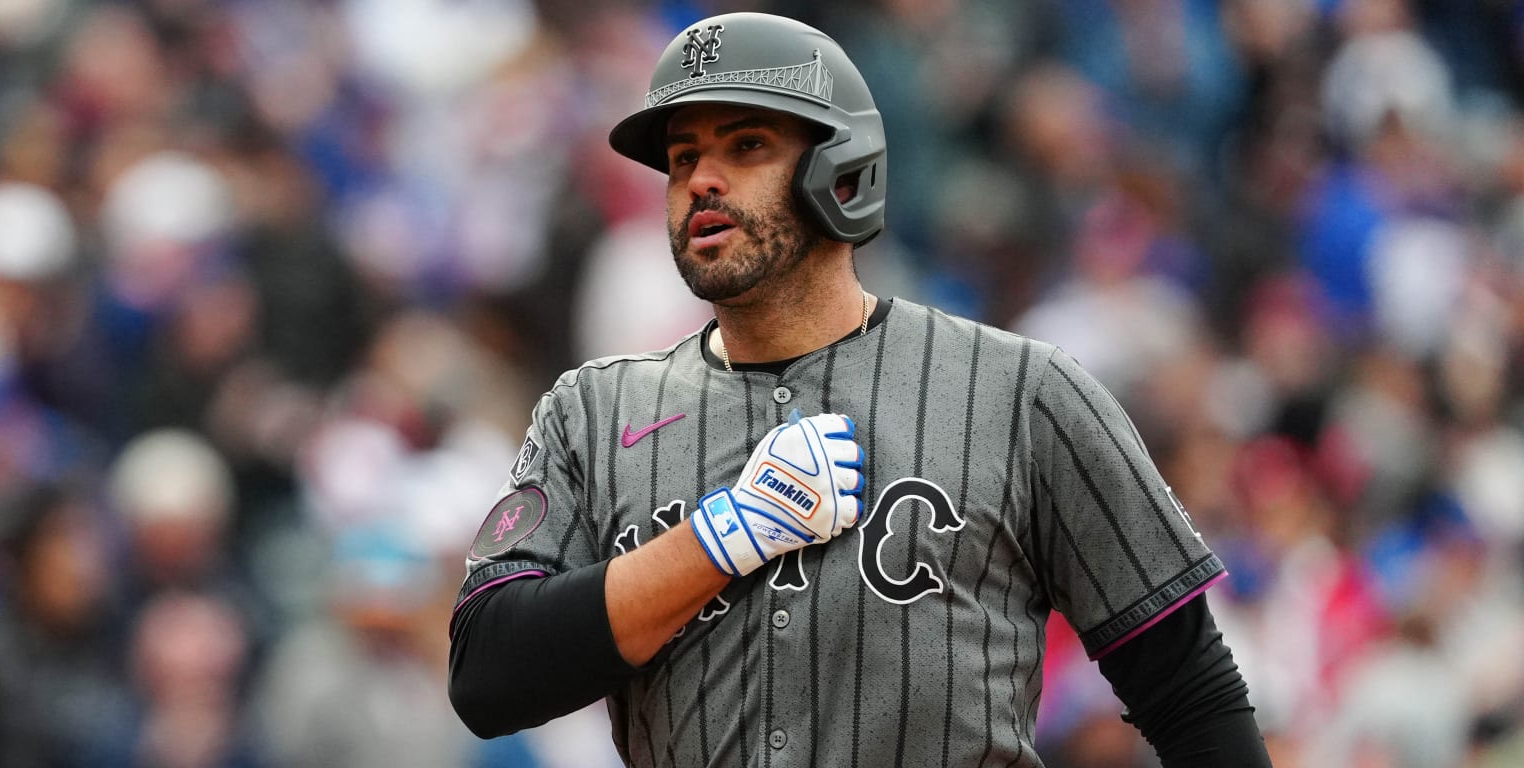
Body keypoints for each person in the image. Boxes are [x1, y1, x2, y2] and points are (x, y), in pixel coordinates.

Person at [448, 12, 1273, 767]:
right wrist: (719, 541)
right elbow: (487, 673)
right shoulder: (591, 413)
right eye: (682, 158)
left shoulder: (1024, 392)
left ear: (842, 172)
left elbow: (1191, 696)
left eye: (745, 147)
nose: (701, 180)